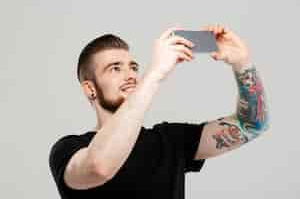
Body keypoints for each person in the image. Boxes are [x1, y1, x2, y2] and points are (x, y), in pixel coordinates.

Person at [49, 24, 270, 199]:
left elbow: (252, 124)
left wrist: (242, 63)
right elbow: (99, 167)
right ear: (90, 89)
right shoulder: (69, 149)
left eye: (133, 67)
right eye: (115, 68)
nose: (130, 75)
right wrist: (154, 74)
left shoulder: (170, 140)